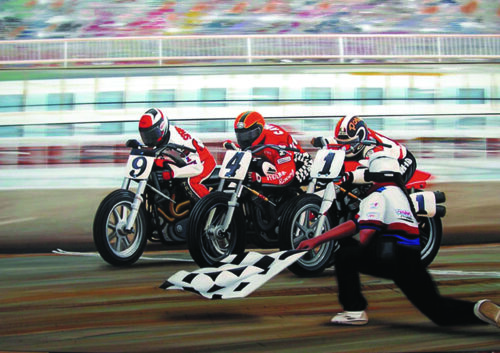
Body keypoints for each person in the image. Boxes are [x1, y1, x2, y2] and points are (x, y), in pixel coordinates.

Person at [297, 151, 500, 328]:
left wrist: (318, 240)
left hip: (390, 254)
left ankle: (354, 311)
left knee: (344, 254)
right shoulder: (401, 196)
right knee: (438, 311)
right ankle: (481, 309)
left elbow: (363, 231)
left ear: (373, 174)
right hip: (412, 258)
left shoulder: (376, 195)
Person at [312, 115, 416, 186]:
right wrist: (319, 141)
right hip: (377, 161)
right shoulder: (346, 137)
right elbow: (332, 141)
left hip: (403, 161)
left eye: (350, 142)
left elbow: (370, 173)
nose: (346, 147)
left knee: (387, 186)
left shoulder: (373, 148)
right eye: (342, 142)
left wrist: (350, 176)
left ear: (361, 138)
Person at [136, 108, 216, 200]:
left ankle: (211, 209)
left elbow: (197, 167)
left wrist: (172, 173)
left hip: (203, 162)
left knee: (191, 182)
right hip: (185, 161)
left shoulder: (178, 142)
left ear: (162, 127)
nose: (149, 140)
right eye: (145, 136)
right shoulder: (162, 138)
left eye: (153, 135)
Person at [224, 110, 312, 186]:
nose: (244, 140)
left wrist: (261, 179)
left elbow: (286, 175)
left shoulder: (276, 141)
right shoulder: (256, 142)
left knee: (289, 184)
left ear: (260, 130)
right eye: (241, 136)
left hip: (299, 164)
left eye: (248, 135)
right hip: (272, 161)